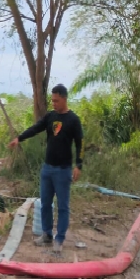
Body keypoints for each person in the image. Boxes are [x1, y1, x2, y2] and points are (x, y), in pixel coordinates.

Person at [8, 84, 83, 254]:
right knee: (45, 204)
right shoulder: (50, 116)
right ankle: (47, 234)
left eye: (56, 100)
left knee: (63, 206)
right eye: (52, 100)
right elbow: (35, 128)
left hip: (63, 171)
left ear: (64, 98)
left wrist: (79, 165)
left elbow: (80, 143)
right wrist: (19, 138)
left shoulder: (73, 120)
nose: (54, 103)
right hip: (47, 169)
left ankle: (60, 239)